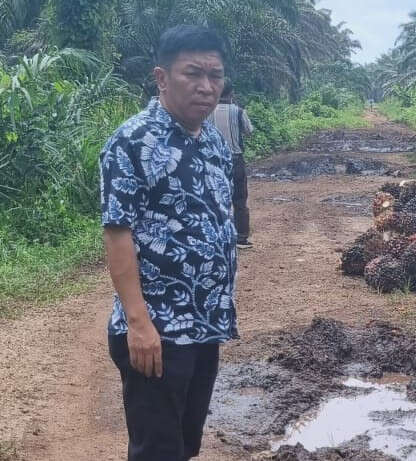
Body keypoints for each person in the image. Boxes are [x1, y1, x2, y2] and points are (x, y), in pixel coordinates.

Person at [99, 25, 238, 460]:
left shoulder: (212, 139)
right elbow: (117, 232)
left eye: (215, 75)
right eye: (192, 73)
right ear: (161, 78)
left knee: (183, 446)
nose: (206, 86)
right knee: (156, 451)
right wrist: (140, 325)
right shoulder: (132, 142)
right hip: (156, 332)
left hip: (204, 325)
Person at [207, 78, 254, 249]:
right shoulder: (239, 111)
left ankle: (217, 236)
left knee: (215, 199)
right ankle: (241, 237)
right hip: (235, 159)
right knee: (240, 199)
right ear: (232, 93)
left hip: (214, 160)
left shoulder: (207, 111)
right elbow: (249, 131)